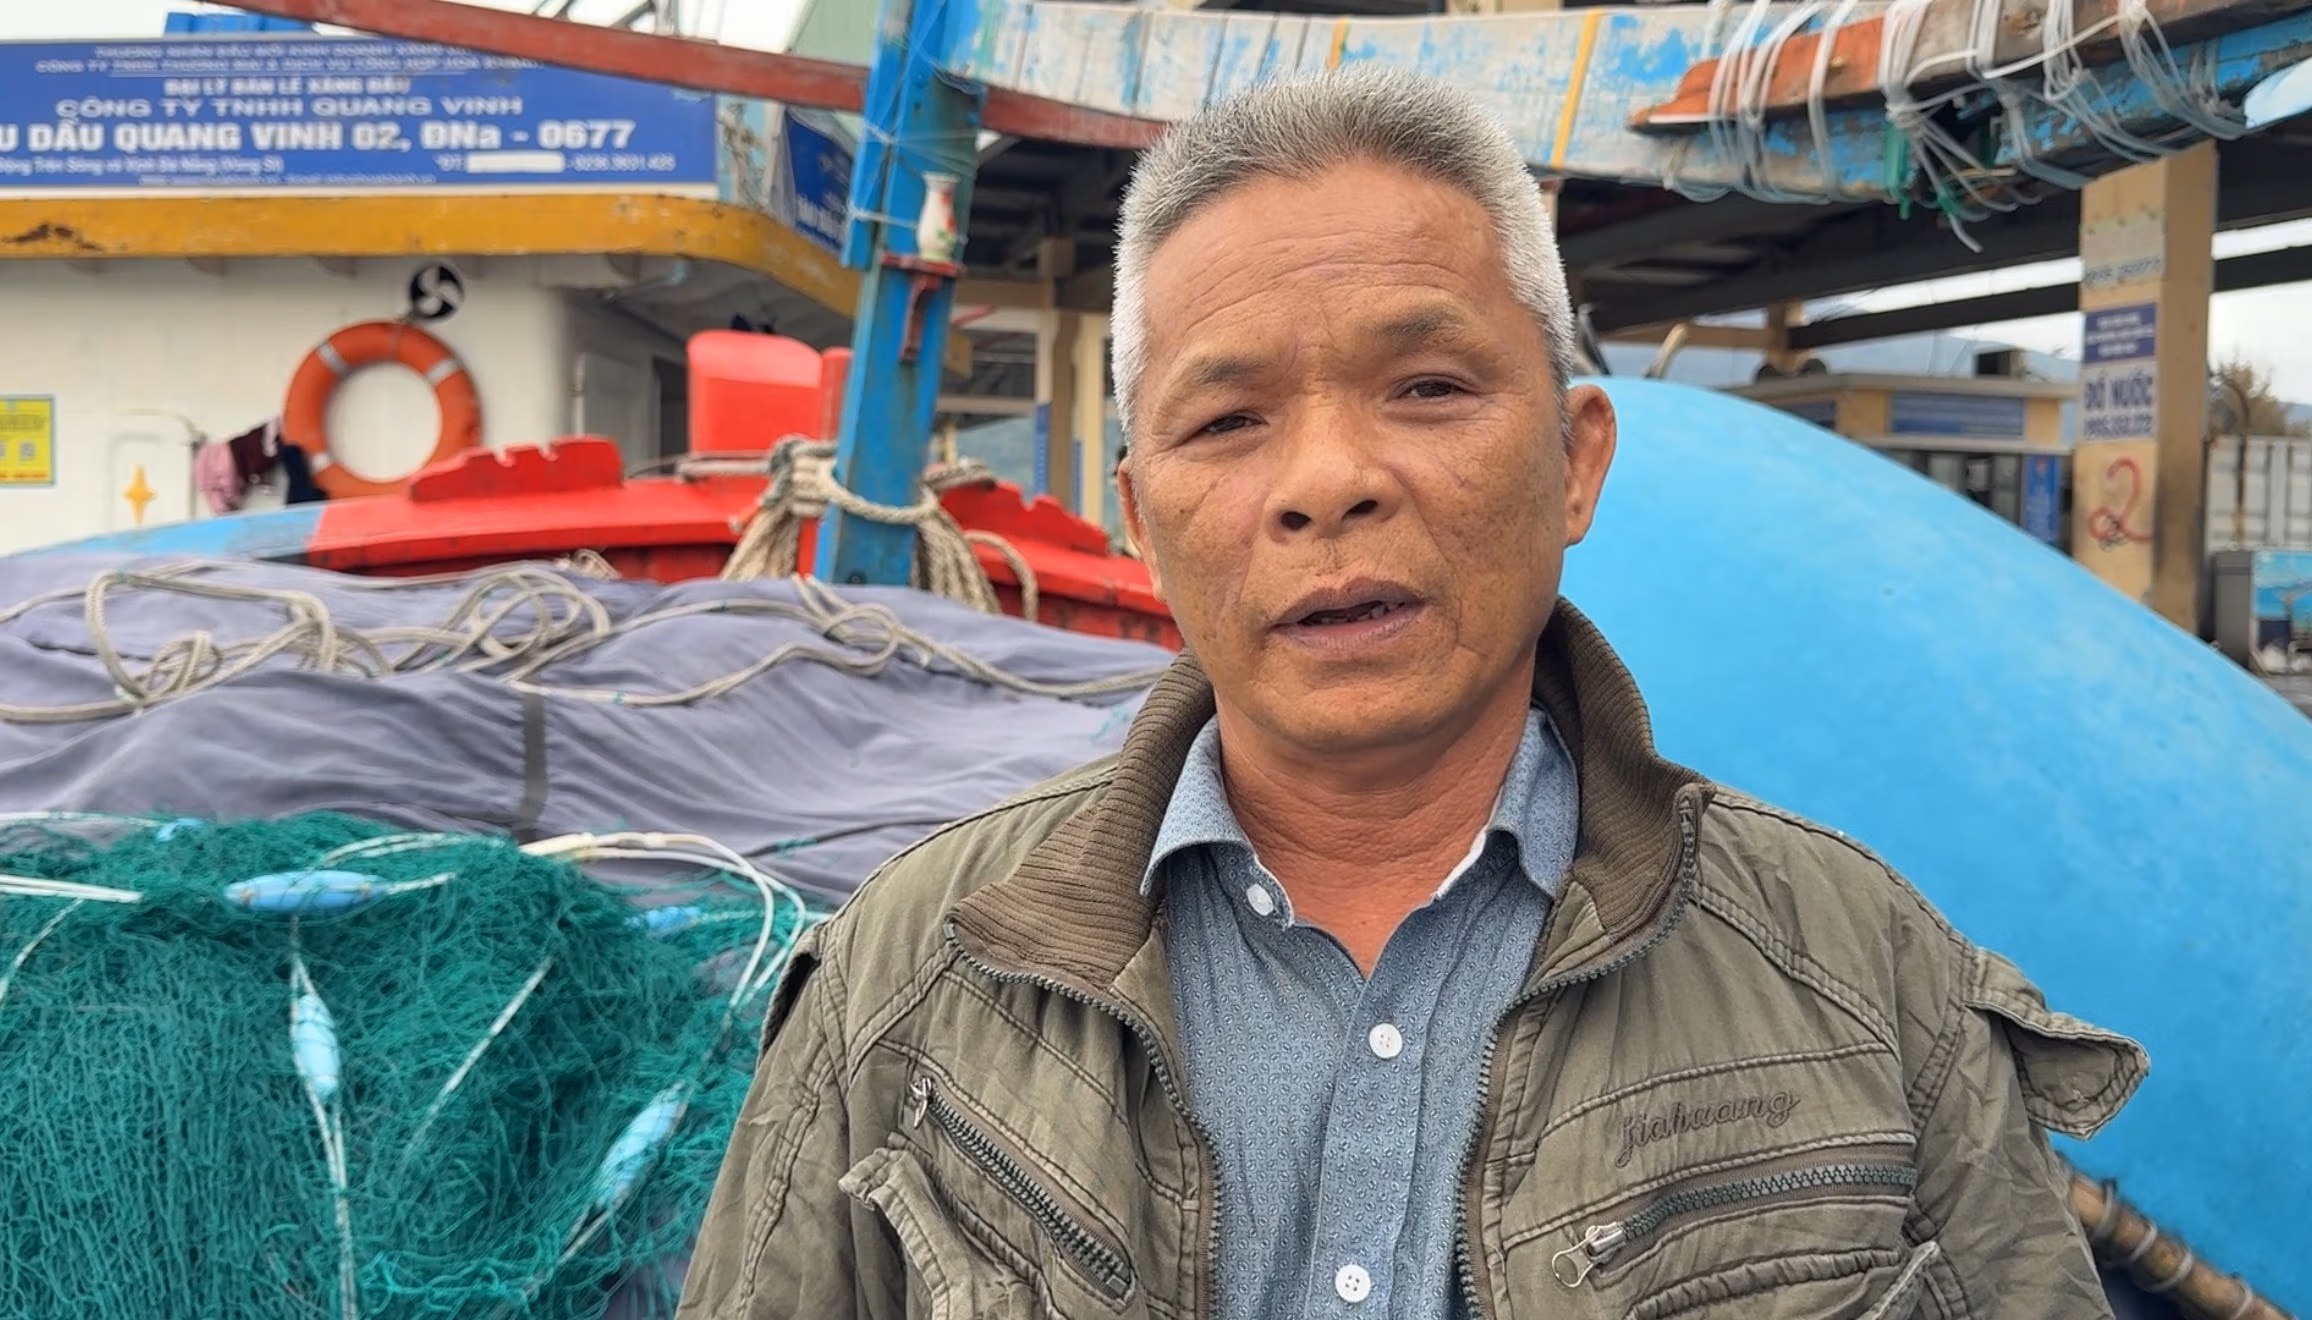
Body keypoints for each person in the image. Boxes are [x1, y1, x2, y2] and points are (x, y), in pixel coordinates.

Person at [677, 68, 2145, 1320]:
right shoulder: (907, 982)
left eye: (1429, 388)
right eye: (1228, 419)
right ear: (1141, 521)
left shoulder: (1865, 980)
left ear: (1574, 459)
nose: (1328, 483)